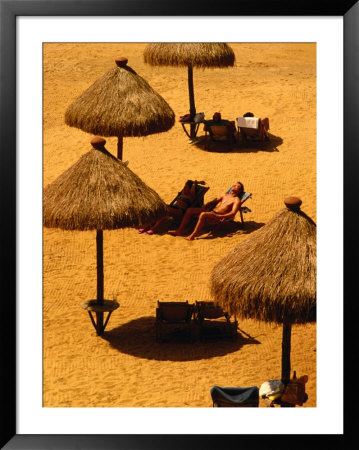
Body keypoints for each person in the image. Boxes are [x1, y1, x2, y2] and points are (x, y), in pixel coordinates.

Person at [168, 182, 244, 241]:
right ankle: (179, 230)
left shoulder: (236, 200)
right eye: (233, 185)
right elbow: (213, 202)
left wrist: (221, 216)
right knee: (190, 210)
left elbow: (232, 213)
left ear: (239, 190)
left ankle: (192, 236)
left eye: (236, 186)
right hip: (211, 211)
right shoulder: (224, 195)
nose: (233, 186)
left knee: (203, 214)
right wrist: (205, 206)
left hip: (217, 216)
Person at [138, 180, 206, 235]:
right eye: (184, 187)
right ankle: (148, 226)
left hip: (179, 211)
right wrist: (194, 183)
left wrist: (196, 183)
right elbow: (189, 182)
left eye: (186, 187)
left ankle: (153, 228)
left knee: (165, 210)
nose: (184, 188)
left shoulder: (191, 196)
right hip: (173, 208)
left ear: (191, 189)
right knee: (158, 207)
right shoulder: (182, 193)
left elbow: (193, 183)